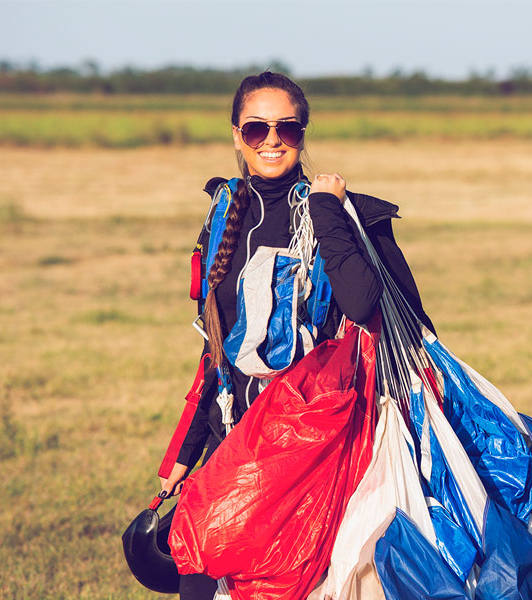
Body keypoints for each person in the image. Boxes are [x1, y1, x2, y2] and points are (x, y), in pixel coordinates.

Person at [156, 71, 433, 600]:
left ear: (303, 134)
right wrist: (184, 456)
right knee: (200, 580)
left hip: (310, 451)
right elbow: (218, 353)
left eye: (287, 127)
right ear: (237, 135)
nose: (272, 139)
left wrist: (328, 210)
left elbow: (364, 304)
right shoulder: (222, 216)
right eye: (257, 129)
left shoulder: (344, 213)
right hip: (232, 443)